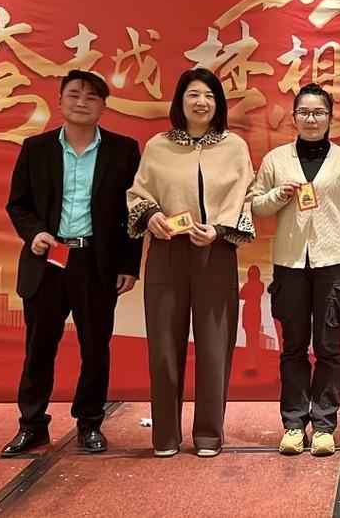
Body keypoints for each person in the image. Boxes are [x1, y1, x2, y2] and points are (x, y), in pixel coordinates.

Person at [2, 70, 142, 457]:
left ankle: (90, 423)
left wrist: (129, 264)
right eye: (74, 95)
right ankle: (32, 425)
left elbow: (134, 211)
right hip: (47, 259)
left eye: (91, 97)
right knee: (39, 347)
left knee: (95, 348)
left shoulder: (123, 150)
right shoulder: (36, 148)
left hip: (95, 262)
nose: (82, 102)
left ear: (103, 106)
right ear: (60, 100)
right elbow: (18, 204)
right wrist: (34, 233)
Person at [126, 68, 256, 457]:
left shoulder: (234, 147)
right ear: (180, 101)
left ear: (219, 104)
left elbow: (246, 198)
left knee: (215, 346)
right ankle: (165, 436)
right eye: (193, 95)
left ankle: (209, 435)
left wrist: (219, 230)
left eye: (209, 96)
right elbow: (138, 195)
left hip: (215, 251)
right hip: (167, 251)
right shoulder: (158, 146)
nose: (201, 102)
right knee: (164, 346)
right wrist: (151, 216)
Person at [252, 83, 340, 456]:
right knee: (293, 347)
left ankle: (323, 426)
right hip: (290, 263)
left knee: (329, 347)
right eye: (304, 112)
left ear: (330, 117)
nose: (311, 119)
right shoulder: (276, 159)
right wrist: (278, 195)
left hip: (334, 263)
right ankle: (292, 424)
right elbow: (257, 205)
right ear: (294, 117)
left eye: (319, 112)